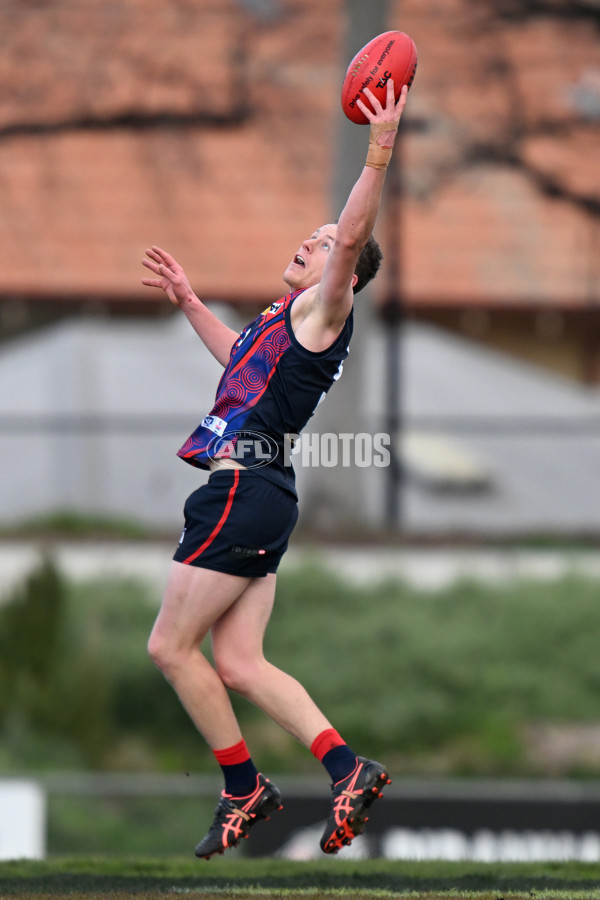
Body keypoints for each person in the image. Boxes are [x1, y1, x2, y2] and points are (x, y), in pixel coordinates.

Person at [141, 79, 407, 858]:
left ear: (345, 276)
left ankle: (244, 788)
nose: (314, 241)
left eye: (325, 242)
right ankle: (347, 767)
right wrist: (191, 301)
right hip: (264, 492)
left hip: (243, 489)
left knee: (168, 649)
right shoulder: (276, 323)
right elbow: (236, 366)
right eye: (315, 235)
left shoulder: (328, 306)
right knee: (240, 662)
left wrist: (379, 149)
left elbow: (355, 239)